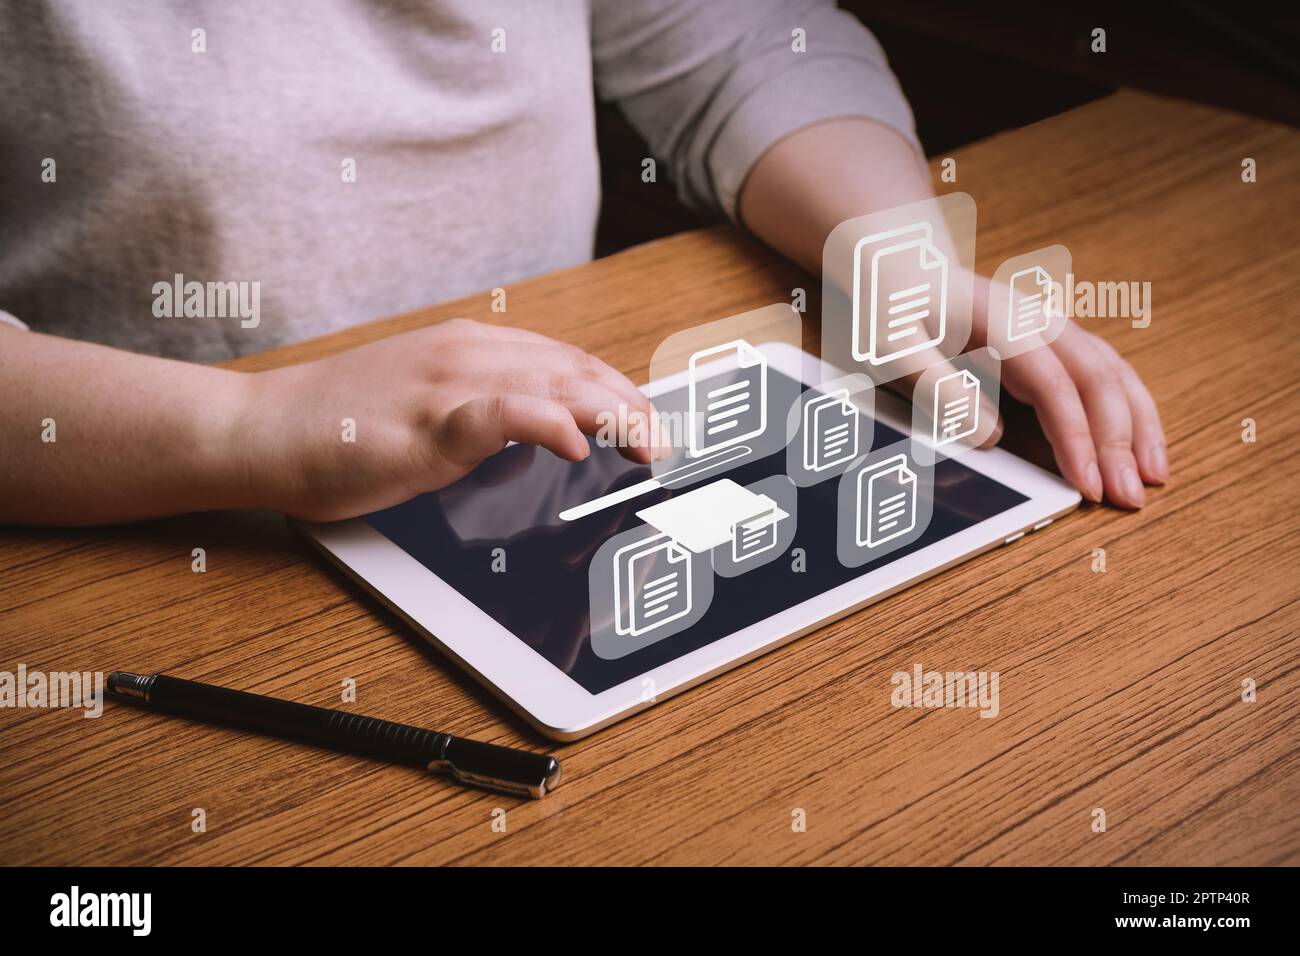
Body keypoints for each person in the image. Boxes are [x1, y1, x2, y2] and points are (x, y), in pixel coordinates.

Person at [0, 0, 1165, 526]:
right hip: (141, 521)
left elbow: (743, 38)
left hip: (550, 485)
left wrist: (889, 243)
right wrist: (253, 425)